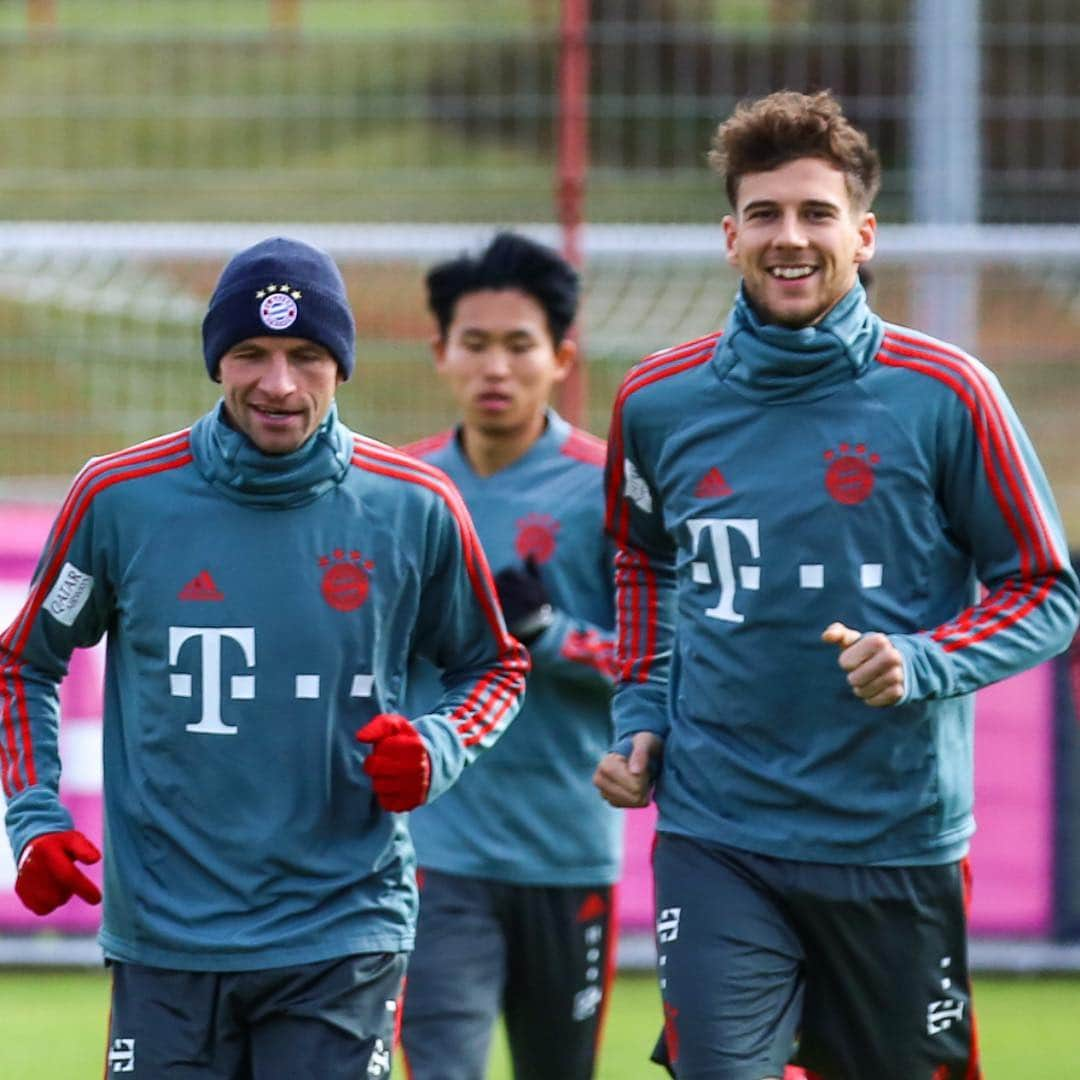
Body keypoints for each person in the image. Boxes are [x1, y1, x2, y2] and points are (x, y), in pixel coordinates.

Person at [593, 90, 1080, 1080]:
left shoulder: (948, 395)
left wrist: (924, 659)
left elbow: (1047, 591)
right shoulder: (656, 400)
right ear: (729, 235)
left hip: (894, 839)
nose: (790, 238)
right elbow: (642, 559)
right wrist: (641, 709)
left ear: (865, 237)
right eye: (765, 214)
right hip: (715, 829)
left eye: (817, 214)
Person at [0, 236, 529, 1078]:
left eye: (306, 355)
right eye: (251, 353)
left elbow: (494, 669)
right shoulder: (119, 499)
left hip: (342, 932)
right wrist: (34, 821)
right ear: (217, 361)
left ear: (341, 365)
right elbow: (22, 662)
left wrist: (437, 748)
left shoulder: (415, 506)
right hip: (167, 941)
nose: (279, 384)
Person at [398, 231, 621, 1080]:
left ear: (561, 357)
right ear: (441, 354)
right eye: (476, 344)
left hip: (570, 854)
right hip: (436, 855)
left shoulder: (609, 488)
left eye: (519, 345)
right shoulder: (401, 489)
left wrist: (550, 636)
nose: (497, 366)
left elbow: (661, 661)